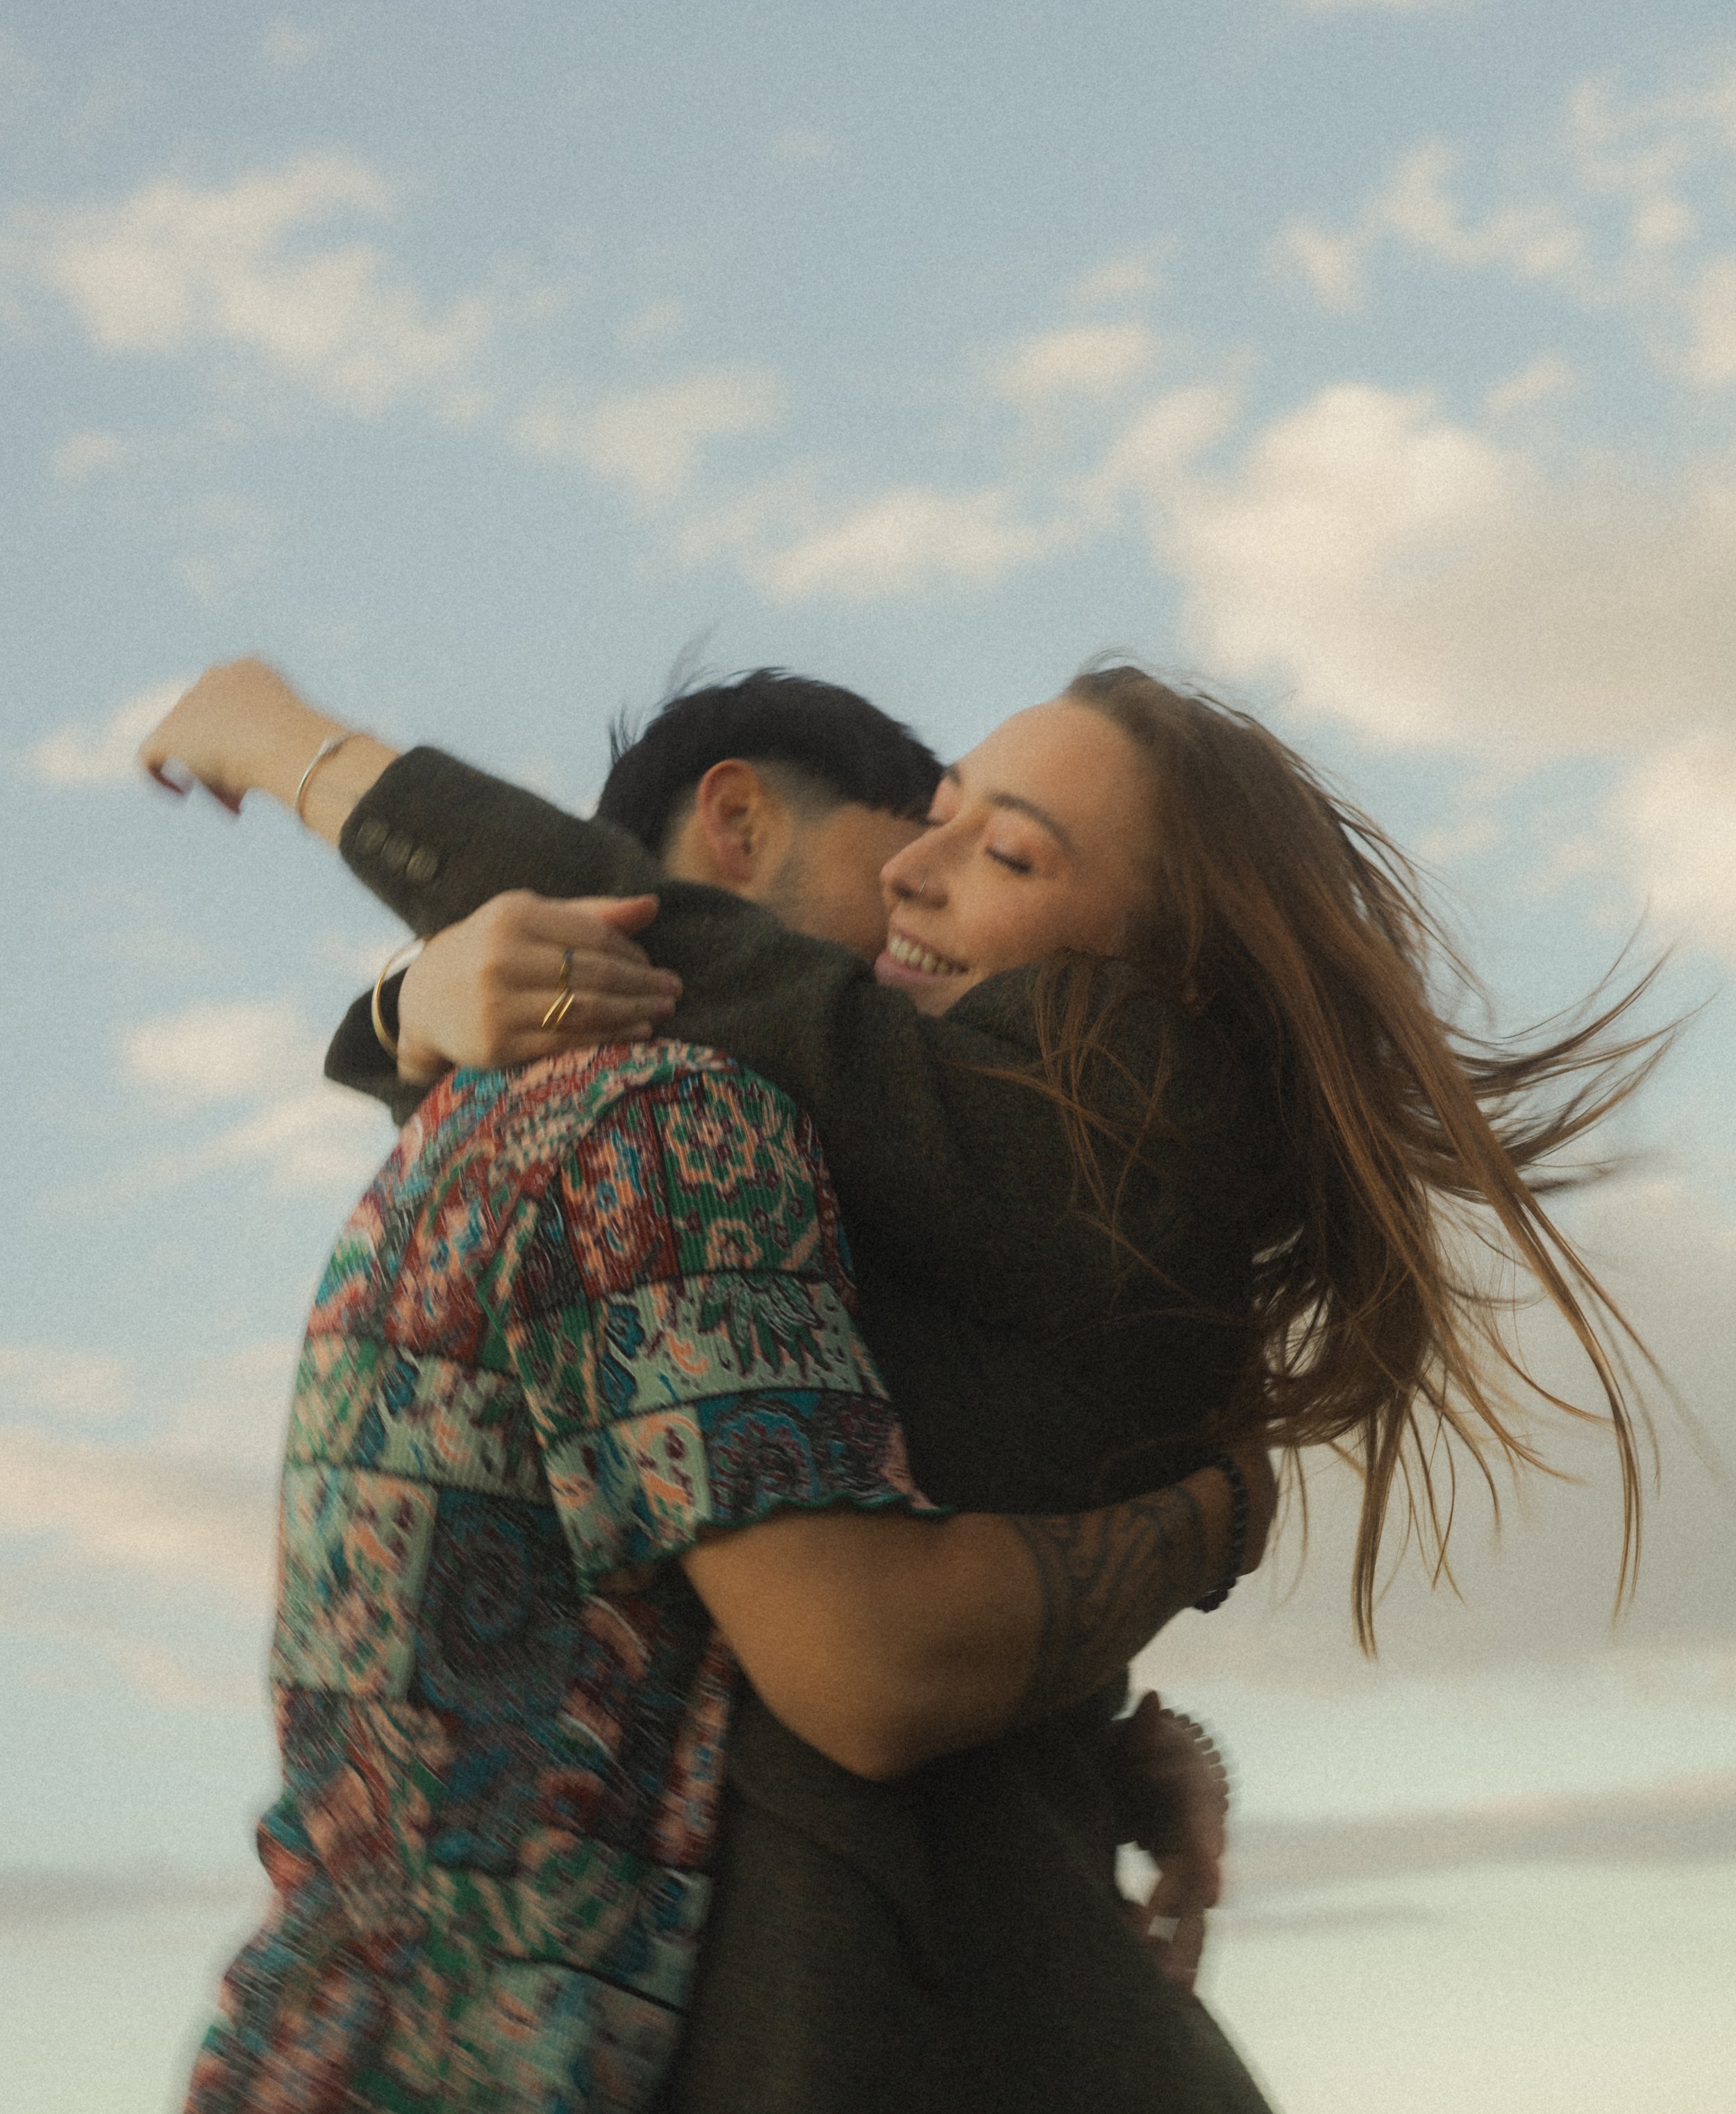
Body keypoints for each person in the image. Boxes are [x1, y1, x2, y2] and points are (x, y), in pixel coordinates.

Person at [144, 661, 1274, 2114]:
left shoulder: (580, 1135)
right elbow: (871, 1663)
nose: (914, 890)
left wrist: (1106, 1737)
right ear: (734, 826)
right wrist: (1224, 1507)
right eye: (916, 831)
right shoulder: (680, 1117)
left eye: (994, 849)